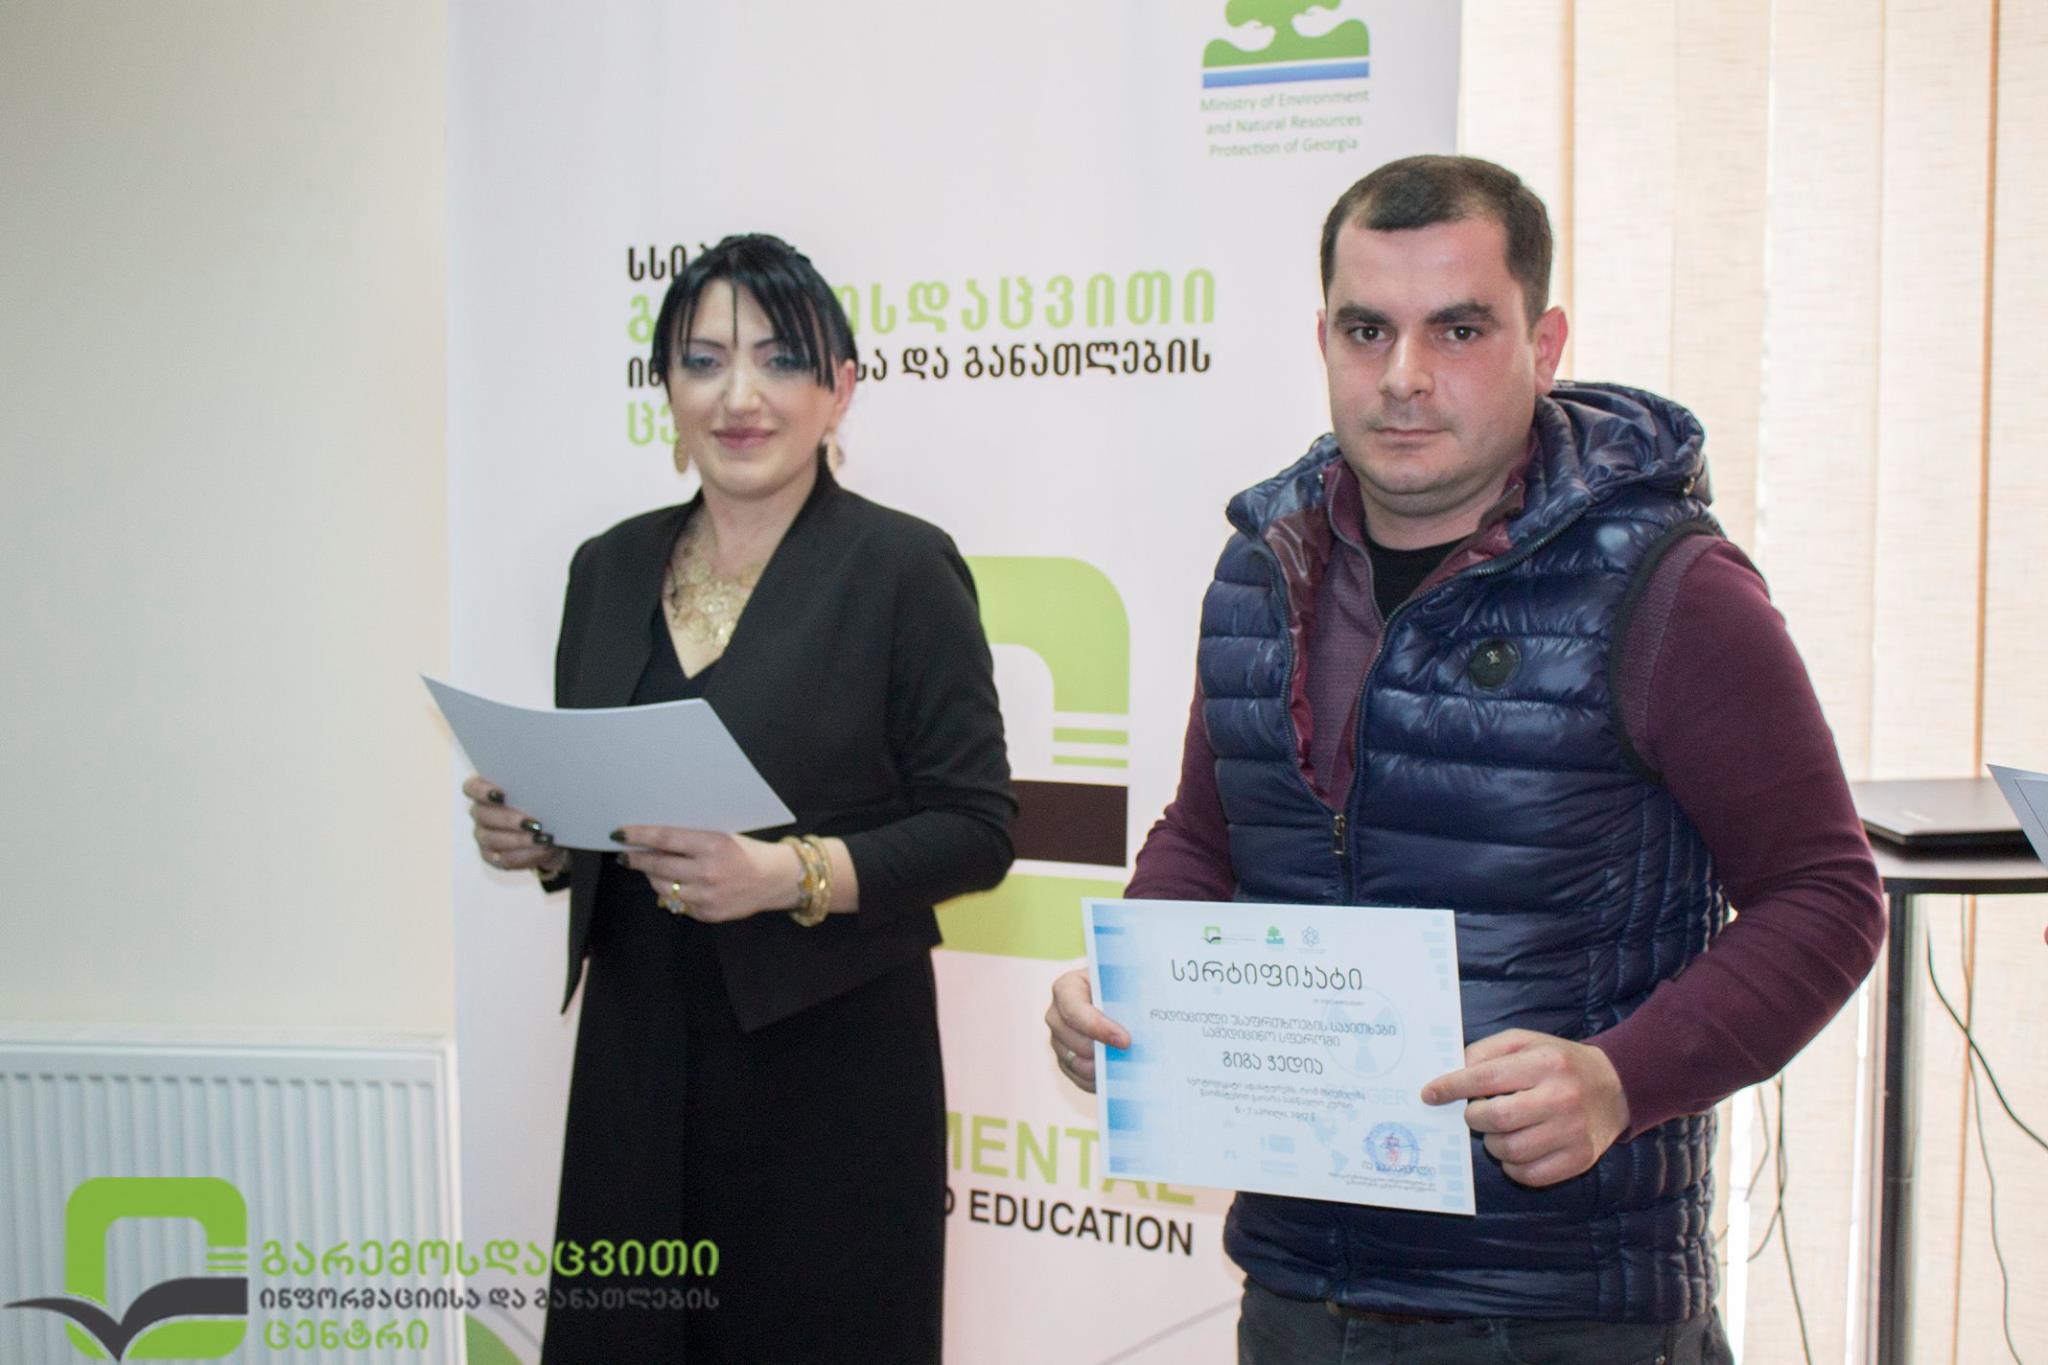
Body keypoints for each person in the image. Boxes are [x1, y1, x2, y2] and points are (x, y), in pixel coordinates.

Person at [1044, 156, 1884, 1363]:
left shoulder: (1669, 587)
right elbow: (1206, 834)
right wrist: (1131, 987)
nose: (1402, 376)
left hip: (1559, 1312)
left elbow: (1825, 895)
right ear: (1322, 340)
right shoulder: (1260, 568)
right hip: (1297, 1287)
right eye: (1365, 330)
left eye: (1457, 329)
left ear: (1542, 346)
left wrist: (1618, 1080)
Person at [464, 233, 1015, 1364]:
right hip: (633, 1053)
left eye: (779, 359)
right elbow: (607, 793)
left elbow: (976, 827)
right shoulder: (605, 568)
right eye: (704, 361)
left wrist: (788, 873)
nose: (739, 396)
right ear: (666, 390)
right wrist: (544, 833)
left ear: (839, 389)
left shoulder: (902, 568)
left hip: (830, 1069)